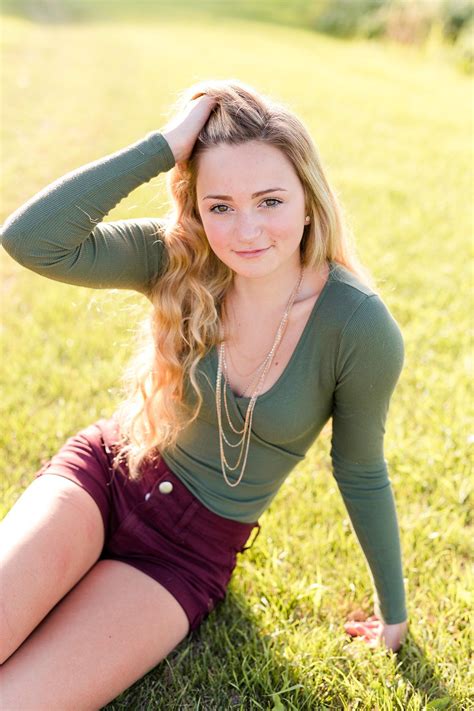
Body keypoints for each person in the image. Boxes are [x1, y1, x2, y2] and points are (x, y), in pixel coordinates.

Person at [0, 79, 408, 707]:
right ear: (197, 207)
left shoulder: (358, 327)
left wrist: (394, 614)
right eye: (220, 205)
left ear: (308, 199)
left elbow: (359, 469)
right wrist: (165, 146)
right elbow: (31, 240)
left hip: (185, 555)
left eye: (269, 200)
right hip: (106, 477)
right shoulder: (178, 257)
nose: (246, 229)